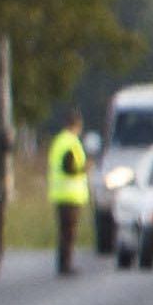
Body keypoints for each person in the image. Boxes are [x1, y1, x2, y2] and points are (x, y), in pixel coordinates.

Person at [49, 114, 92, 275]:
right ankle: (65, 265)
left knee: (64, 232)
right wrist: (85, 168)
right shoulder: (70, 143)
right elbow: (69, 167)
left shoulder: (59, 141)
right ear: (76, 125)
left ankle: (63, 264)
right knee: (69, 233)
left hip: (61, 194)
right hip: (70, 195)